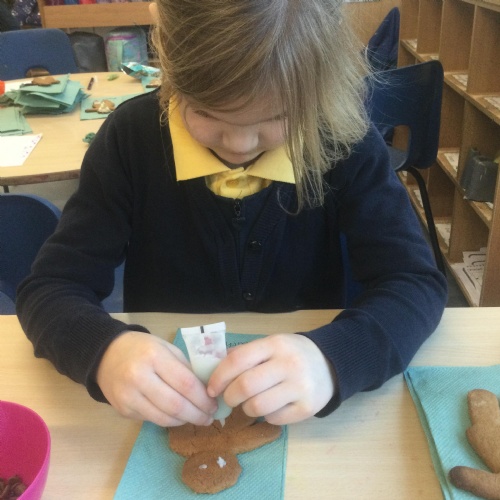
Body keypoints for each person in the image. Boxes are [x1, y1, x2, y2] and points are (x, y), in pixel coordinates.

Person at [16, 0, 447, 428]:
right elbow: (50, 289)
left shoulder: (343, 140)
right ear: (170, 70)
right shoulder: (130, 140)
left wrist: (333, 358)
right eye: (206, 112)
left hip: (305, 418)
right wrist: (104, 352)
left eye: (277, 117)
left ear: (318, 91)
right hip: (164, 408)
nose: (239, 144)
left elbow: (414, 282)